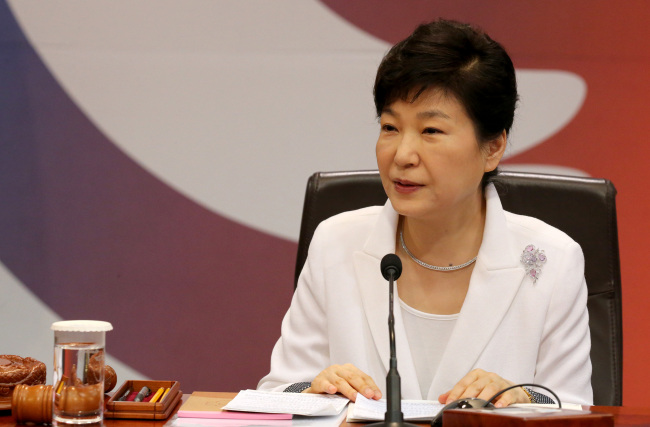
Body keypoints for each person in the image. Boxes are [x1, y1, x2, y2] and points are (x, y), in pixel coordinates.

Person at [257, 19, 592, 407]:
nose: (402, 155)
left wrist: (523, 399)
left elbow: (574, 409)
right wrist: (312, 390)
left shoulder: (552, 260)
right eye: (390, 127)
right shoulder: (336, 242)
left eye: (431, 130)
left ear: (493, 148)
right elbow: (276, 395)